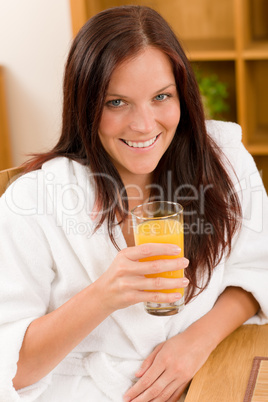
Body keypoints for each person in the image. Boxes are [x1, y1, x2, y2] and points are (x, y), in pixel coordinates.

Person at [0, 5, 267, 402]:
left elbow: (257, 269)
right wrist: (105, 294)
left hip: (206, 378)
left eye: (161, 96)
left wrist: (195, 342)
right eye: (116, 102)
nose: (144, 125)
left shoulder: (223, 160)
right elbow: (12, 368)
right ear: (85, 106)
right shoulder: (35, 200)